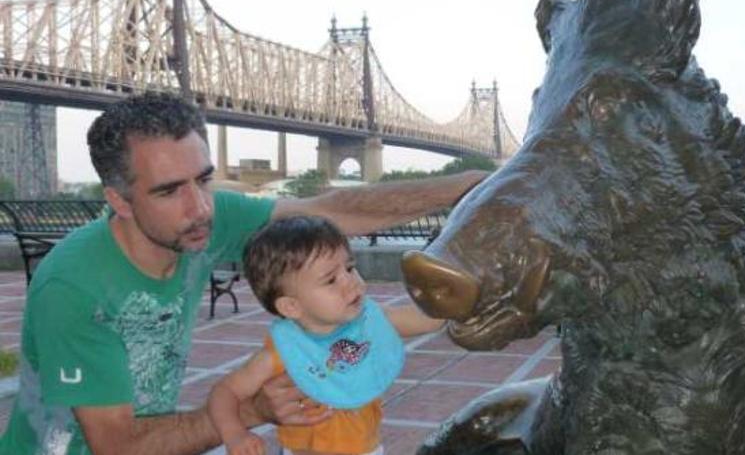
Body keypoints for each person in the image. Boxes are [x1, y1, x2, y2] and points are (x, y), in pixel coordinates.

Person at [0, 93, 487, 455]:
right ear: (118, 201)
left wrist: (462, 188)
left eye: (205, 179)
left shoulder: (201, 222)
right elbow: (118, 447)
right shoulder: (74, 287)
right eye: (170, 191)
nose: (201, 208)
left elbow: (333, 210)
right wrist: (254, 412)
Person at [208, 216, 444, 455]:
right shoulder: (283, 353)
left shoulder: (369, 320)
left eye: (350, 268)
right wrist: (235, 435)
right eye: (331, 279)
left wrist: (453, 299)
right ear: (291, 307)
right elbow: (225, 392)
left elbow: (429, 321)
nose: (351, 282)